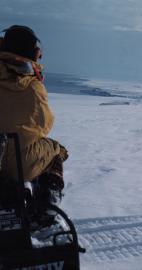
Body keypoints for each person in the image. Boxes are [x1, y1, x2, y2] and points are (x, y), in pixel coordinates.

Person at [0, 25, 68, 219]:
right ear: (34, 54)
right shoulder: (33, 87)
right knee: (57, 150)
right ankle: (47, 201)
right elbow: (44, 125)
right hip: (18, 164)